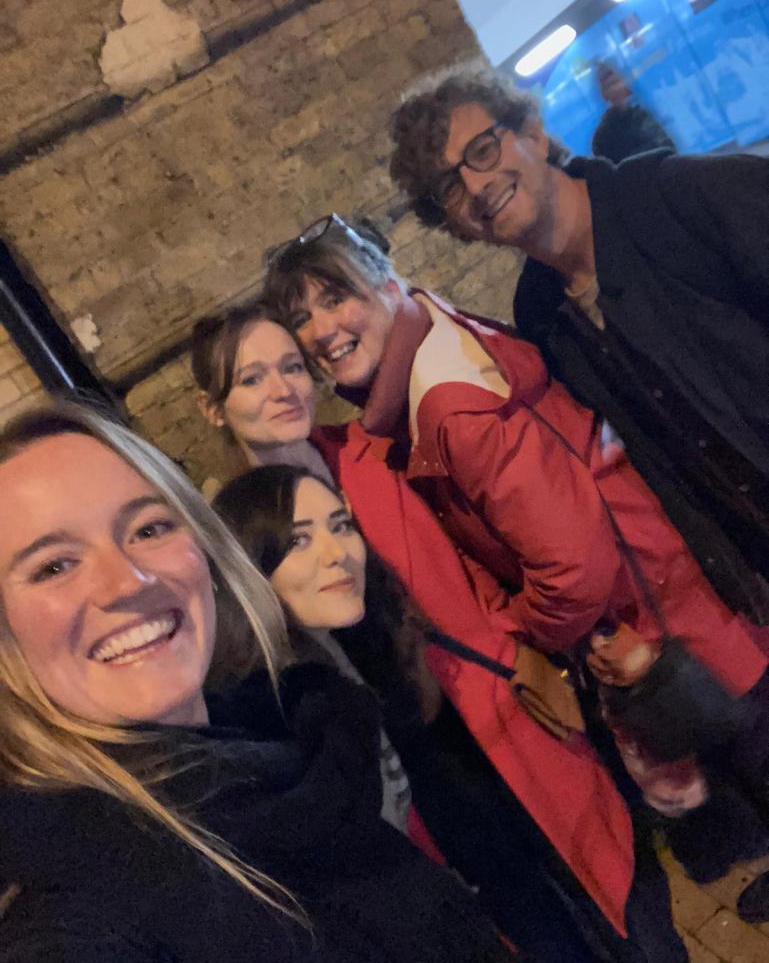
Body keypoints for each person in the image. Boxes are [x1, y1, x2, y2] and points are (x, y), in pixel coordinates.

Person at [261, 212, 769, 936]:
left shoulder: (448, 408)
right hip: (657, 573)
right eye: (300, 317)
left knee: (748, 738)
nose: (319, 330)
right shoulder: (435, 342)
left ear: (386, 282)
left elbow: (573, 564)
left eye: (334, 297)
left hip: (644, 600)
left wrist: (527, 625)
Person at [191, 301, 635, 962]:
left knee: (602, 872)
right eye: (253, 378)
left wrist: (519, 637)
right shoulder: (232, 533)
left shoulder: (372, 454)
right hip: (400, 754)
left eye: (292, 366)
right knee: (519, 908)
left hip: (487, 701)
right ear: (212, 408)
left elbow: (472, 550)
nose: (283, 388)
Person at [0, 401, 519, 963]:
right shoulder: (72, 925)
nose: (129, 581)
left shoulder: (301, 756)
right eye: (53, 566)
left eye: (149, 528)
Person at [388, 69, 769, 630]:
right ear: (456, 227)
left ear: (534, 135)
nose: (475, 186)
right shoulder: (541, 317)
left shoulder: (687, 196)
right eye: (449, 187)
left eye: (483, 150)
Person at [591, 63, 676, 164]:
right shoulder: (601, 137)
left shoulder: (642, 115)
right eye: (610, 85)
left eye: (617, 82)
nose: (616, 88)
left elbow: (668, 147)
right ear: (603, 94)